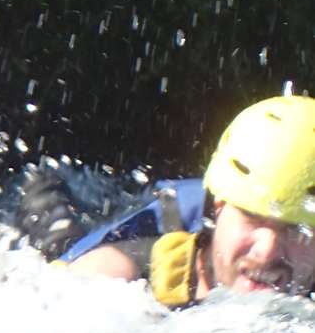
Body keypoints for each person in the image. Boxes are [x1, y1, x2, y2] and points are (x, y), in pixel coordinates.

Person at [58, 95, 315, 308]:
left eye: (296, 230)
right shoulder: (120, 281)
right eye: (251, 217)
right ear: (218, 208)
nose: (267, 250)